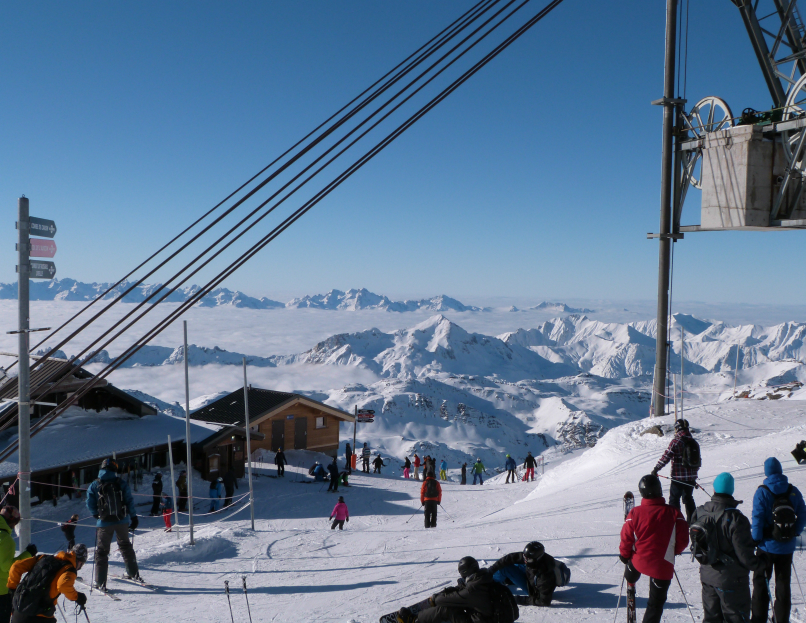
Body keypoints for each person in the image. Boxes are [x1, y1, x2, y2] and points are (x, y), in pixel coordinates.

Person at [690, 472, 762, 623]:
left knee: (711, 618)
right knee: (736, 618)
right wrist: (760, 564)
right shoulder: (736, 518)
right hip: (731, 579)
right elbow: (745, 555)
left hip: (707, 575)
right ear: (731, 490)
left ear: (715, 489)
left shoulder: (700, 512)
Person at [619, 474, 688, 623]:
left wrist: (625, 555)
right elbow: (683, 540)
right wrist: (672, 552)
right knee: (655, 605)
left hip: (639, 561)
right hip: (663, 565)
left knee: (631, 567)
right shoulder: (674, 512)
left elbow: (626, 538)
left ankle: (630, 581)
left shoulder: (635, 513)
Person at [750, 457, 806, 623]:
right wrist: (794, 532)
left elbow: (757, 519)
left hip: (766, 547)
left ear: (767, 472)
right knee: (783, 585)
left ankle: (758, 619)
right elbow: (803, 514)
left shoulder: (762, 491)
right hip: (787, 547)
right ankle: (781, 619)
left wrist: (756, 540)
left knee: (761, 584)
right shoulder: (792, 490)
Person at [396, 557, 512, 623]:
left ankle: (413, 620)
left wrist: (436, 598)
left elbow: (444, 601)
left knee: (446, 609)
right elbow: (463, 590)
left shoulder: (472, 591)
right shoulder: (486, 580)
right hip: (492, 618)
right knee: (459, 605)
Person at [86, 457, 141, 587]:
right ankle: (133, 573)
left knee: (102, 551)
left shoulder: (95, 484)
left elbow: (89, 502)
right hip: (121, 520)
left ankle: (100, 581)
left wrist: (96, 514)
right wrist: (133, 517)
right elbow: (129, 500)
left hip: (104, 522)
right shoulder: (120, 482)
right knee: (125, 546)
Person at [8, 544, 88, 623]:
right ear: (79, 562)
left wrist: (13, 590)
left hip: (18, 611)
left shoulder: (43, 558)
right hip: (39, 615)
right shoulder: (69, 569)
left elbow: (16, 567)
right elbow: (63, 585)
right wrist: (77, 597)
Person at [651, 418, 699, 523]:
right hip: (690, 478)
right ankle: (693, 521)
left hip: (678, 477)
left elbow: (666, 457)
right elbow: (697, 462)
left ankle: (675, 522)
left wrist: (656, 469)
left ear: (677, 428)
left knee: (674, 499)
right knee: (688, 498)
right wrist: (693, 476)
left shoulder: (676, 441)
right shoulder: (693, 442)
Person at [490, 541, 557, 606]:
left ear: (537, 559)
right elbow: (510, 558)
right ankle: (503, 578)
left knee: (505, 569)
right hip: (531, 574)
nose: (525, 560)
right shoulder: (533, 557)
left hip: (532, 590)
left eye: (528, 559)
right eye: (524, 557)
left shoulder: (544, 577)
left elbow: (543, 601)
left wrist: (515, 599)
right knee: (513, 563)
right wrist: (490, 570)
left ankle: (490, 583)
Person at [0, 507, 35, 622]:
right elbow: (7, 567)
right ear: (12, 522)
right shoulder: (5, 539)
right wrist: (28, 554)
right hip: (2, 591)